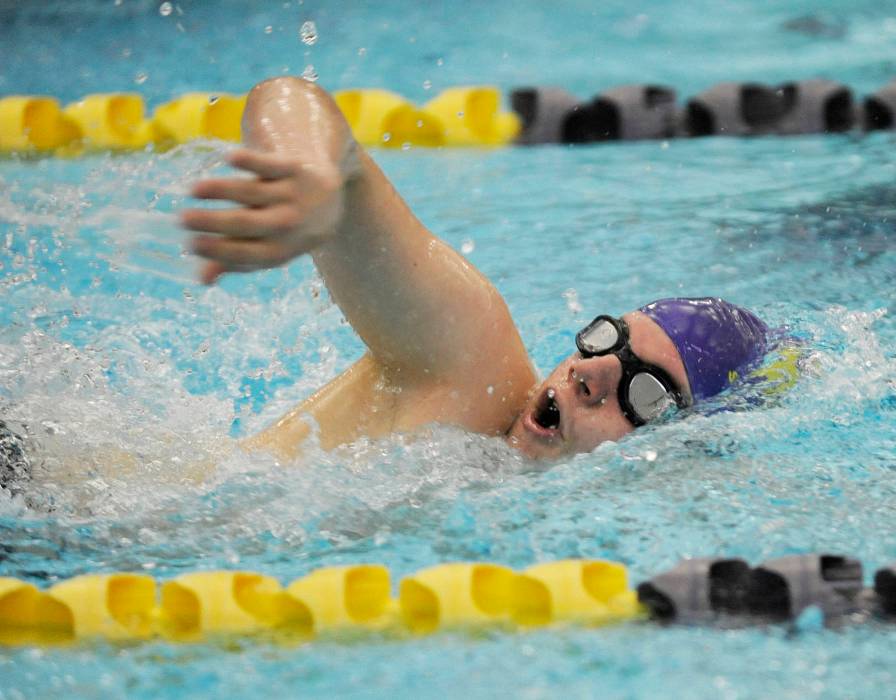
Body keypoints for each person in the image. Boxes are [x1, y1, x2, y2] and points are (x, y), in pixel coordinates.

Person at [178, 77, 769, 462]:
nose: (592, 374)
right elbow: (292, 97)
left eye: (648, 392)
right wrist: (307, 166)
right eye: (608, 338)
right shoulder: (472, 369)